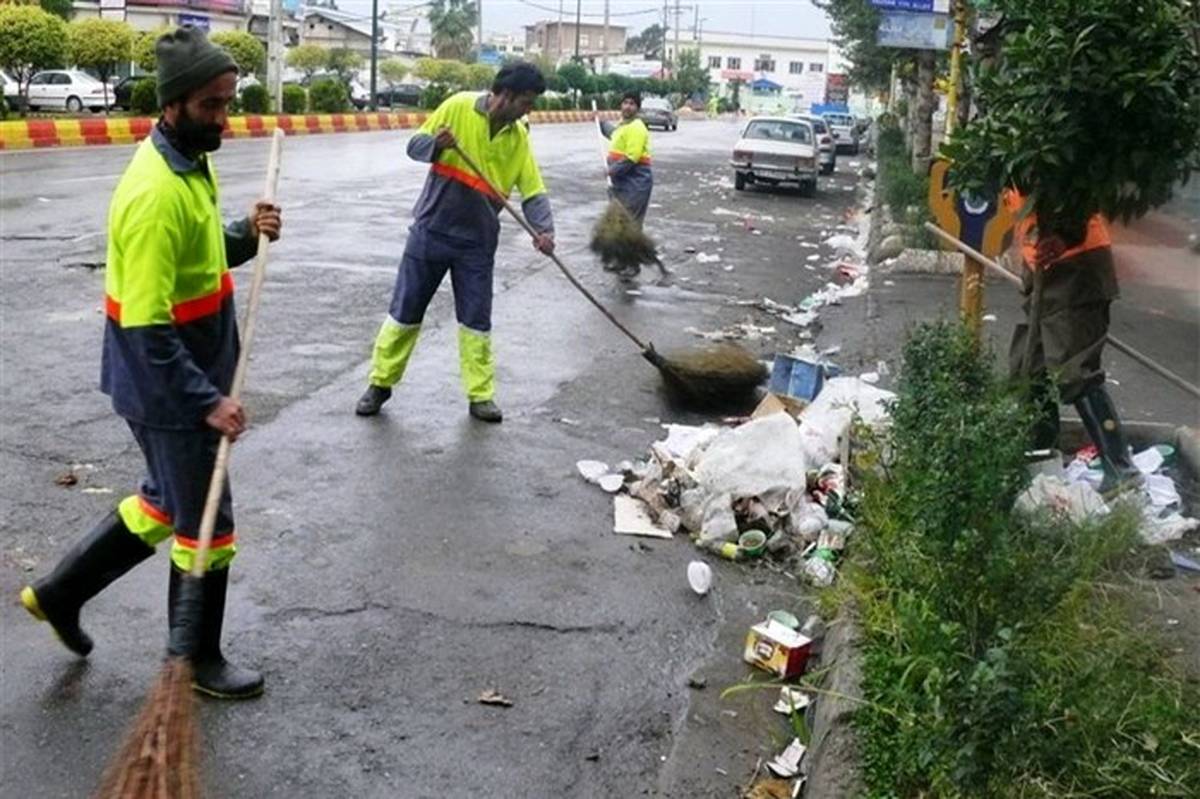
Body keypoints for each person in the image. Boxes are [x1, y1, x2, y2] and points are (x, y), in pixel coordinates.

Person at [19, 27, 282, 699]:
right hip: (168, 389)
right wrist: (207, 400)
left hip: (182, 380)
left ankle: (57, 593)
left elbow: (201, 261)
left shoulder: (191, 160)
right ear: (174, 103)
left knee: (167, 503)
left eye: (229, 101)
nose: (225, 117)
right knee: (208, 526)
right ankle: (196, 661)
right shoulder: (154, 194)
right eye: (212, 105)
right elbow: (145, 330)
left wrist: (245, 235)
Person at [355, 63, 555, 422]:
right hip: (431, 231)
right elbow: (414, 147)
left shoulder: (518, 137)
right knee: (404, 313)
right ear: (506, 96)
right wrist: (436, 145)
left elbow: (533, 189)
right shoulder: (458, 106)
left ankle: (480, 395)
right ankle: (379, 384)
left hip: (477, 243)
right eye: (526, 101)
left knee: (476, 321)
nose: (530, 109)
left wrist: (545, 230)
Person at [1004, 189, 1141, 495]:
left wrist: (1065, 238)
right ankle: (1041, 467)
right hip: (1043, 272)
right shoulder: (1007, 158)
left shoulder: (1046, 150)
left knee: (1075, 370)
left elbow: (1081, 193)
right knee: (1028, 372)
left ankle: (1121, 468)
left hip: (1076, 265)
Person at [604, 91, 654, 228]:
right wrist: (601, 123)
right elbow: (614, 135)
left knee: (630, 222)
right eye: (625, 102)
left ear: (637, 108)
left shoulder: (637, 127)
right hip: (622, 181)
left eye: (632, 104)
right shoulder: (624, 126)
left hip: (636, 183)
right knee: (620, 221)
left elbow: (631, 158)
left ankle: (633, 248)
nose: (627, 106)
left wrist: (611, 171)